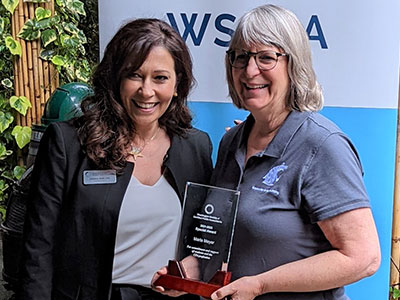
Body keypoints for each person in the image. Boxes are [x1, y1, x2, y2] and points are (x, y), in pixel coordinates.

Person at [18, 18, 213, 300]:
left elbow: (207, 237)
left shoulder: (195, 146)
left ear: (177, 83)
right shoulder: (69, 143)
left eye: (160, 78)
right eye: (134, 75)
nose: (146, 91)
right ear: (115, 77)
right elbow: (38, 247)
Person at [207, 4, 380, 300]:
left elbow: (363, 258)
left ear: (293, 64)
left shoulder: (322, 145)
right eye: (241, 57)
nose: (250, 71)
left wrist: (260, 285)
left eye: (266, 57)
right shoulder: (231, 142)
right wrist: (187, 273)